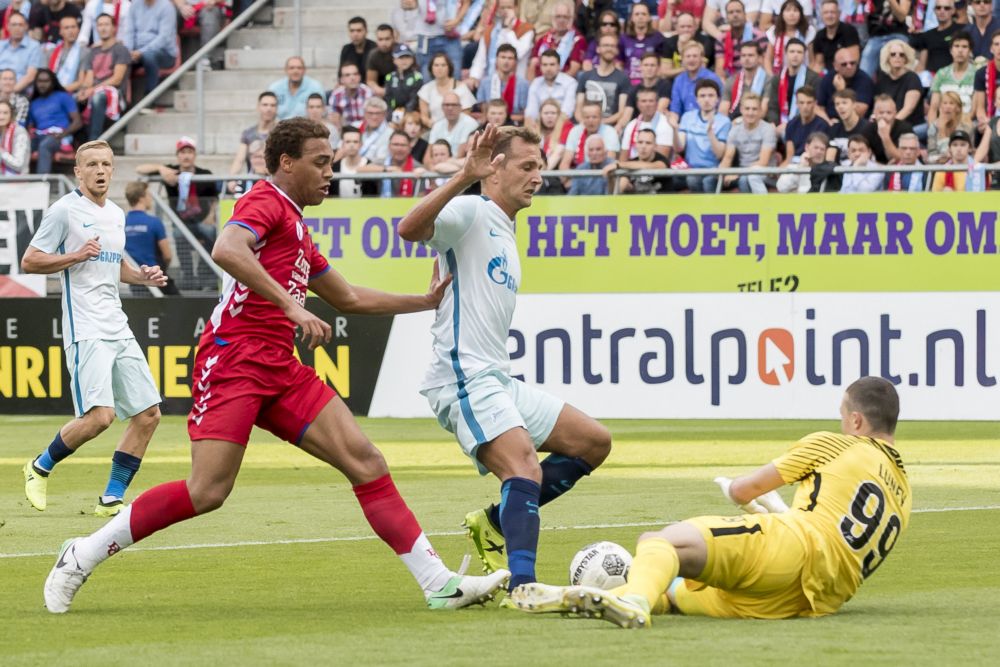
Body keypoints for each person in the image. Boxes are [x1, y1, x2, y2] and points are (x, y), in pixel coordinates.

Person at [41, 119, 511, 616]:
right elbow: (226, 249)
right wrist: (292, 306)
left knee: (366, 461)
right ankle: (81, 553)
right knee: (208, 491)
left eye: (331, 161)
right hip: (232, 360)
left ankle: (439, 583)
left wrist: (423, 300)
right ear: (287, 163)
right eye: (320, 162)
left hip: (279, 366)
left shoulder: (297, 226)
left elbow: (347, 297)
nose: (331, 172)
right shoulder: (265, 201)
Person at [397, 123, 611, 595]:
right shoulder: (471, 210)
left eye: (541, 168)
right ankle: (524, 587)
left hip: (496, 377)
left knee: (593, 443)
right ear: (493, 169)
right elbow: (409, 229)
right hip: (463, 375)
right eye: (527, 166)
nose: (538, 177)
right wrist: (459, 177)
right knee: (524, 466)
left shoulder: (506, 227)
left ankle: (495, 521)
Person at [511, 377, 911, 629]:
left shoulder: (836, 444)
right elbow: (838, 537)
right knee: (671, 595)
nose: (841, 422)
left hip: (791, 548)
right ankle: (613, 598)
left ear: (856, 421)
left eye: (843, 414)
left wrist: (736, 489)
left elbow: (744, 490)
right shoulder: (904, 492)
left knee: (662, 542)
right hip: (813, 600)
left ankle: (630, 601)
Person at [21, 140, 167, 519]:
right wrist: (74, 255)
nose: (100, 170)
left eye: (106, 163)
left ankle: (111, 498)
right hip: (85, 326)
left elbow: (115, 268)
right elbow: (31, 260)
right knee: (99, 417)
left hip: (116, 322)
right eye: (92, 165)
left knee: (148, 414)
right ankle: (39, 466)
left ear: (113, 170)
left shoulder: (116, 214)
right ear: (78, 172)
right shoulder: (64, 211)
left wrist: (142, 276)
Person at [135, 137, 220, 288]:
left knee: (211, 231)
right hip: (181, 224)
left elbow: (214, 199)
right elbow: (139, 169)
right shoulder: (171, 171)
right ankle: (188, 277)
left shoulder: (205, 173)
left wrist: (210, 216)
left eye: (189, 152)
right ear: (177, 155)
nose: (186, 156)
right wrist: (161, 168)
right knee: (178, 234)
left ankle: (203, 274)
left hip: (202, 221)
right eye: (182, 152)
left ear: (194, 155)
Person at [76, 13, 130, 141]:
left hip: (114, 94)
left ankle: (94, 141)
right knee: (73, 99)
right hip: (95, 90)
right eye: (100, 25)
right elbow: (89, 79)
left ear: (114, 28)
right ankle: (70, 143)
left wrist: (92, 90)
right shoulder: (93, 51)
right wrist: (84, 91)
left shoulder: (121, 49)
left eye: (106, 24)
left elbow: (116, 79)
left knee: (98, 97)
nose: (103, 28)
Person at [673, 78, 732, 192]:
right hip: (691, 169)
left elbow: (719, 154)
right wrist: (674, 130)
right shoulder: (687, 117)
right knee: (690, 178)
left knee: (706, 181)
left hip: (713, 170)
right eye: (702, 96)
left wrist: (710, 133)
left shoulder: (724, 121)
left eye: (711, 95)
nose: (706, 99)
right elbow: (679, 148)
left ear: (718, 99)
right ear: (696, 99)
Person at [123, 179, 179, 295]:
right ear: (141, 197)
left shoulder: (122, 223)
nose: (150, 198)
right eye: (148, 195)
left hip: (134, 278)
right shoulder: (154, 222)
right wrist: (163, 268)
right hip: (154, 276)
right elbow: (167, 255)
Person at [120, 0, 178, 102]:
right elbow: (129, 32)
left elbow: (164, 38)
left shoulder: (166, 7)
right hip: (137, 51)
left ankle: (149, 99)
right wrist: (129, 51)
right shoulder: (134, 5)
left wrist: (142, 51)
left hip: (164, 52)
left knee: (149, 56)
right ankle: (121, 100)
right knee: (121, 57)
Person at [718, 92, 776, 193]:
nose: (750, 113)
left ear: (760, 111)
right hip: (742, 171)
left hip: (764, 173)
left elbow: (763, 162)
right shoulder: (735, 130)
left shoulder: (767, 129)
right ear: (741, 110)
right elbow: (728, 157)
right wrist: (720, 174)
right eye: (747, 109)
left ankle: (751, 208)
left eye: (754, 109)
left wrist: (739, 173)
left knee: (745, 179)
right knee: (710, 180)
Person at [469, 0, 536, 86]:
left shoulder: (526, 29)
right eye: (502, 8)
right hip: (491, 80)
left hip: (515, 84)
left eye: (509, 7)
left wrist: (508, 30)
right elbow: (480, 58)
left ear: (516, 8)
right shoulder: (490, 30)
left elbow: (518, 53)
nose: (506, 11)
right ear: (497, 10)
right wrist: (474, 76)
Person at [29, 68, 82, 174]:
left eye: (46, 81)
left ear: (53, 82)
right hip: (39, 135)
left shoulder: (63, 97)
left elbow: (78, 122)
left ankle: (42, 184)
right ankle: (20, 181)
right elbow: (30, 126)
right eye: (39, 81)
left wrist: (62, 134)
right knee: (24, 146)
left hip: (59, 136)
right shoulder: (34, 103)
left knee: (45, 145)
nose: (42, 84)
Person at [575, 33, 632, 128]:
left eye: (612, 46)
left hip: (608, 128)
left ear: (617, 50)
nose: (609, 48)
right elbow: (578, 109)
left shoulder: (623, 78)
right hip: (585, 126)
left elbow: (621, 112)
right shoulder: (586, 76)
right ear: (598, 49)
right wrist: (586, 123)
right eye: (605, 45)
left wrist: (600, 124)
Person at [763, 38, 820, 128]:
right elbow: (773, 106)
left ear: (804, 56)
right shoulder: (777, 78)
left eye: (799, 52)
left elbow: (814, 107)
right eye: (792, 51)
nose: (795, 55)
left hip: (804, 125)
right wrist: (773, 124)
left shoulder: (814, 79)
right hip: (779, 125)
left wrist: (790, 125)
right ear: (785, 54)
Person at [228, 91, 278, 190]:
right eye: (265, 105)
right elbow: (239, 159)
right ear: (258, 107)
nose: (269, 108)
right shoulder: (248, 133)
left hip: (276, 182)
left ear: (277, 108)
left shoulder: (282, 132)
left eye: (272, 105)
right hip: (253, 182)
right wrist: (231, 178)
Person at [418, 51, 477, 127]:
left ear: (449, 68)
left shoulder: (461, 88)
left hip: (458, 128)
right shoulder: (426, 89)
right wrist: (430, 124)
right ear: (431, 68)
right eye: (436, 65)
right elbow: (424, 116)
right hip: (434, 128)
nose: (439, 68)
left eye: (443, 65)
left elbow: (466, 114)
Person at [874, 40, 924, 129]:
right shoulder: (883, 78)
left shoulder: (912, 78)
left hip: (910, 126)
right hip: (888, 124)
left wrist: (890, 125)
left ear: (906, 58)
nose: (897, 57)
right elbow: (878, 104)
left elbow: (908, 109)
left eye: (902, 55)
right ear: (887, 58)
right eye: (893, 54)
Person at [528, 0, 585, 79]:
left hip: (563, 85)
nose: (561, 20)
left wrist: (554, 85)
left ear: (571, 18)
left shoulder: (577, 40)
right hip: (540, 85)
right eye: (558, 16)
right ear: (553, 18)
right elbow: (532, 65)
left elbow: (573, 70)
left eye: (565, 17)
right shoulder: (543, 38)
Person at [669, 41, 724, 121]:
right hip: (685, 125)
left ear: (702, 58)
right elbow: (675, 109)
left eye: (695, 56)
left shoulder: (712, 78)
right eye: (688, 56)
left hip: (709, 121)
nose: (691, 60)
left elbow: (720, 105)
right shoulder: (679, 80)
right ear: (683, 59)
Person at [928, 32, 977, 120]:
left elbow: (973, 111)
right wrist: (932, 128)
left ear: (970, 51)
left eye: (964, 47)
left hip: (967, 122)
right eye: (956, 46)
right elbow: (933, 109)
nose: (960, 50)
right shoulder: (941, 74)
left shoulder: (977, 74)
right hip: (942, 122)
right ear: (951, 50)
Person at [475, 43, 529, 122]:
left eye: (510, 58)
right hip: (490, 124)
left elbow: (525, 114)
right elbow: (483, 111)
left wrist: (505, 119)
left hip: (514, 126)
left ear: (515, 62)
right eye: (503, 57)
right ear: (496, 59)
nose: (506, 61)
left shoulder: (523, 84)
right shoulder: (485, 82)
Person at [714, 1, 767, 80]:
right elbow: (720, 71)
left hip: (756, 80)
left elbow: (764, 66)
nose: (735, 15)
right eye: (731, 12)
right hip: (731, 82)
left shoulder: (759, 37)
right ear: (726, 17)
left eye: (738, 11)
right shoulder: (721, 40)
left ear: (745, 14)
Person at [524, 48, 577, 129]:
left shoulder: (570, 83)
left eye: (552, 64)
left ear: (559, 66)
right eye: (545, 65)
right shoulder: (536, 83)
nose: (548, 68)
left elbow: (567, 113)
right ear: (540, 67)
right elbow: (531, 112)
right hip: (540, 126)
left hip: (563, 127)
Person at [561, 100, 621, 169]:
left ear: (601, 118)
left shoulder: (610, 132)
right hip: (579, 174)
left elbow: (609, 162)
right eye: (587, 117)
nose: (590, 121)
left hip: (602, 174)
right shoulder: (575, 131)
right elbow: (565, 163)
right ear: (582, 118)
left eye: (594, 117)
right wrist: (570, 180)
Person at [910, 1, 964, 77]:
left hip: (954, 77)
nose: (942, 11)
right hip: (931, 78)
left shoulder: (962, 30)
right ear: (934, 10)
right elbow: (922, 64)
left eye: (946, 8)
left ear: (953, 10)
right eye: (938, 8)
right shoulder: (927, 35)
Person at [860, 0, 912, 78]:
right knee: (864, 69)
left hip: (896, 34)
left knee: (898, 58)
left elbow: (901, 17)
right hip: (876, 37)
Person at [764, 0, 816, 75]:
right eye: (788, 10)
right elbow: (768, 60)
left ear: (801, 14)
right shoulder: (774, 32)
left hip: (804, 75)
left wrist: (808, 77)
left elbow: (812, 61)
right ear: (782, 14)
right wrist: (772, 77)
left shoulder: (808, 31)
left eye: (795, 10)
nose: (792, 14)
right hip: (780, 75)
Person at [720, 41, 770, 119]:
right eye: (743, 55)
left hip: (759, 123)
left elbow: (763, 110)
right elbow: (723, 110)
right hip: (734, 123)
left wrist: (741, 122)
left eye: (751, 55)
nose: (746, 59)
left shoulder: (768, 80)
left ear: (759, 58)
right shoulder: (731, 81)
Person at [620, 86, 672, 158]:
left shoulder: (665, 124)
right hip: (633, 166)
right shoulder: (631, 125)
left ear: (657, 103)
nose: (647, 104)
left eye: (651, 101)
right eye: (643, 101)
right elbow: (623, 158)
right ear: (637, 104)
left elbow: (662, 160)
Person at [268, 56, 325, 121]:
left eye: (299, 68)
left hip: (306, 127)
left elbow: (321, 114)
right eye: (291, 68)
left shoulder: (315, 88)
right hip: (280, 127)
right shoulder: (275, 88)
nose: (295, 71)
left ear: (304, 70)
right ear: (286, 70)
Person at [781, 85, 830, 160]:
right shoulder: (791, 125)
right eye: (801, 103)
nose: (805, 106)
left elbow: (819, 155)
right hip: (793, 164)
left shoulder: (822, 125)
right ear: (797, 103)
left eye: (809, 102)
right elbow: (789, 157)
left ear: (815, 103)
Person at [617, 127, 672, 193]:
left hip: (661, 202)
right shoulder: (631, 163)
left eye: (648, 143)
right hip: (636, 202)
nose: (643, 146)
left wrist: (618, 165)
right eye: (640, 142)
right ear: (636, 144)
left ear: (655, 146)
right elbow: (616, 189)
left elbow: (655, 166)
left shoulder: (663, 160)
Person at [620, 2, 664, 85]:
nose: (640, 17)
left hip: (651, 83)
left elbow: (661, 63)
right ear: (631, 18)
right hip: (628, 83)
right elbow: (619, 63)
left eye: (643, 14)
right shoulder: (623, 38)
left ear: (649, 17)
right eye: (637, 14)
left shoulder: (657, 37)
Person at [810, 0, 860, 74]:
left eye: (832, 12)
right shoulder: (819, 35)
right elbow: (819, 64)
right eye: (826, 13)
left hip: (848, 74)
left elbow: (854, 60)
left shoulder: (849, 31)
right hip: (828, 76)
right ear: (821, 15)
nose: (829, 16)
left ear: (839, 14)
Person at [863, 94, 912, 164]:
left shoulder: (905, 129)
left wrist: (885, 137)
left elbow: (904, 159)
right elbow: (864, 157)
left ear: (895, 113)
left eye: (889, 113)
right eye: (881, 113)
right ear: (875, 113)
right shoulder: (868, 129)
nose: (884, 116)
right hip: (876, 170)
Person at [826, 89, 873, 161]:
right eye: (837, 104)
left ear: (854, 104)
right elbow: (829, 159)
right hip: (839, 170)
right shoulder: (834, 129)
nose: (840, 107)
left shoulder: (868, 128)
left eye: (844, 103)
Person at [927, 90, 974, 162]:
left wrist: (943, 134)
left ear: (958, 108)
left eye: (951, 103)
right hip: (938, 167)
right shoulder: (934, 127)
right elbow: (931, 156)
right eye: (945, 103)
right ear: (940, 107)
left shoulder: (966, 127)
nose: (947, 106)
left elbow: (967, 152)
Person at [331, 125, 377, 198]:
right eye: (348, 142)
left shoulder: (369, 164)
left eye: (355, 142)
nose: (351, 145)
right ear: (342, 144)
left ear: (361, 144)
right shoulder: (335, 167)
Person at [428, 91, 479, 156]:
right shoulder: (437, 125)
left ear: (460, 107)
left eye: (454, 105)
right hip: (438, 164)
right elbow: (427, 156)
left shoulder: (470, 123)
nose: (450, 108)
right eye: (447, 105)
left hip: (459, 164)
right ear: (442, 107)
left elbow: (460, 155)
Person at [0, 11, 40, 92]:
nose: (17, 28)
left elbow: (30, 76)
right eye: (14, 25)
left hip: (20, 92)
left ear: (26, 27)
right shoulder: (1, 45)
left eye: (20, 25)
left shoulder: (34, 46)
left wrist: (9, 93)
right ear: (8, 26)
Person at [328, 62, 374, 130]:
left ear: (360, 77)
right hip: (345, 133)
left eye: (355, 74)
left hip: (367, 131)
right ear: (341, 79)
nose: (352, 78)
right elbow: (335, 121)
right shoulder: (336, 96)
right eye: (347, 75)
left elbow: (373, 117)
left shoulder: (368, 92)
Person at [48, 15, 86, 94]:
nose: (70, 31)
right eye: (66, 28)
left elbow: (81, 82)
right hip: (51, 92)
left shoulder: (85, 52)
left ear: (78, 30)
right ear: (60, 31)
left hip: (73, 93)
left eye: (73, 27)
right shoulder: (51, 52)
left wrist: (59, 91)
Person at [384, 43, 424, 115]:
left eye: (407, 57)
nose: (404, 60)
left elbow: (414, 99)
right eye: (401, 58)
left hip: (412, 113)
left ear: (412, 59)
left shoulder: (417, 77)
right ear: (394, 60)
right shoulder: (390, 77)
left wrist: (405, 113)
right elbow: (388, 98)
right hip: (394, 113)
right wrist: (391, 113)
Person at [972, 29, 1000, 132]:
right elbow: (980, 108)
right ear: (991, 48)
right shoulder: (981, 73)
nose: (999, 48)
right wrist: (985, 121)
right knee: (979, 128)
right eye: (996, 44)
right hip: (989, 118)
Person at [358, 97, 393, 164]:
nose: (374, 117)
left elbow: (382, 160)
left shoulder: (390, 133)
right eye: (370, 113)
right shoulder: (356, 127)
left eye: (378, 113)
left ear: (385, 114)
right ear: (364, 113)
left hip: (376, 171)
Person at [366, 23, 397, 97]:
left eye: (387, 39)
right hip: (381, 90)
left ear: (393, 38)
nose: (384, 43)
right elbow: (370, 81)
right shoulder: (373, 55)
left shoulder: (402, 52)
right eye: (380, 39)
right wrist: (379, 90)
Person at [0, 98, 29, 174]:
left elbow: (18, 164)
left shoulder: (19, 132)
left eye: (5, 113)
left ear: (11, 115)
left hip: (16, 181)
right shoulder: (1, 132)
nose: (1, 117)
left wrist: (1, 152)